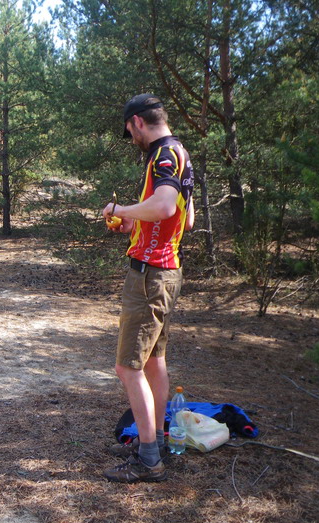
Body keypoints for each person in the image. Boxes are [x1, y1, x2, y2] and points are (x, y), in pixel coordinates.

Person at [101, 93, 195, 483]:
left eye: (129, 131)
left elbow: (164, 208)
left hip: (150, 276)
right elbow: (184, 220)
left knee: (127, 367)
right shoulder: (182, 154)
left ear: (137, 122)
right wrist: (132, 225)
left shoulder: (163, 156)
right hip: (165, 272)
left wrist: (121, 211)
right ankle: (151, 440)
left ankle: (149, 459)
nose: (132, 138)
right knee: (154, 362)